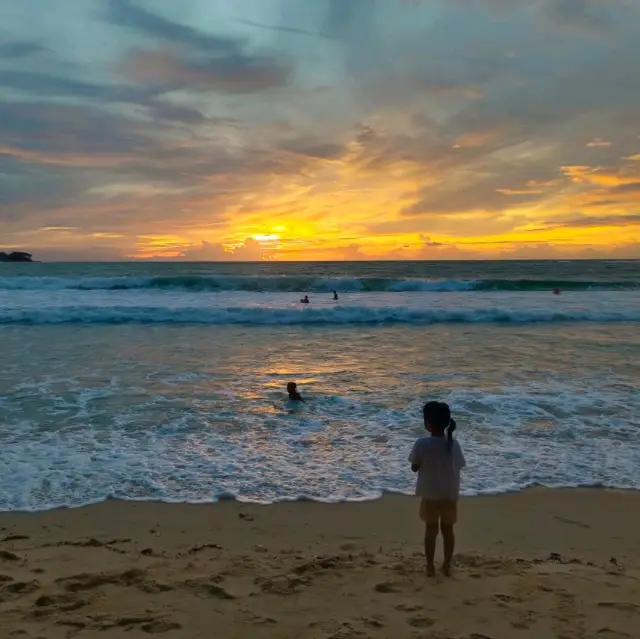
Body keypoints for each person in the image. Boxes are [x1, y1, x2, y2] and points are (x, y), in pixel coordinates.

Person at [409, 401, 465, 577]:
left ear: (427, 423)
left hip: (430, 494)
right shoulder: (453, 444)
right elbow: (460, 465)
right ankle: (447, 565)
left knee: (431, 530)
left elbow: (414, 467)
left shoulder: (422, 443)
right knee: (448, 531)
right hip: (449, 494)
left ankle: (430, 566)